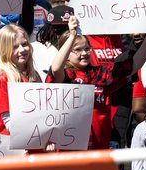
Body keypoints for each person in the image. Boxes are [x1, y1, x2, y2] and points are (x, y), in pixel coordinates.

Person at [47, 16, 130, 150]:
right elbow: (56, 68)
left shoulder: (100, 74)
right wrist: (73, 35)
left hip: (99, 146)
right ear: (67, 53)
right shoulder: (66, 76)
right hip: (70, 150)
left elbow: (134, 65)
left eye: (87, 49)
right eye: (77, 50)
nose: (84, 53)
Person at [0, 24, 41, 135]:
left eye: (24, 44)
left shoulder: (34, 75)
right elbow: (8, 120)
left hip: (37, 141)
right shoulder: (3, 80)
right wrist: (34, 137)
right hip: (16, 145)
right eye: (15, 47)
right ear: (4, 50)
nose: (22, 49)